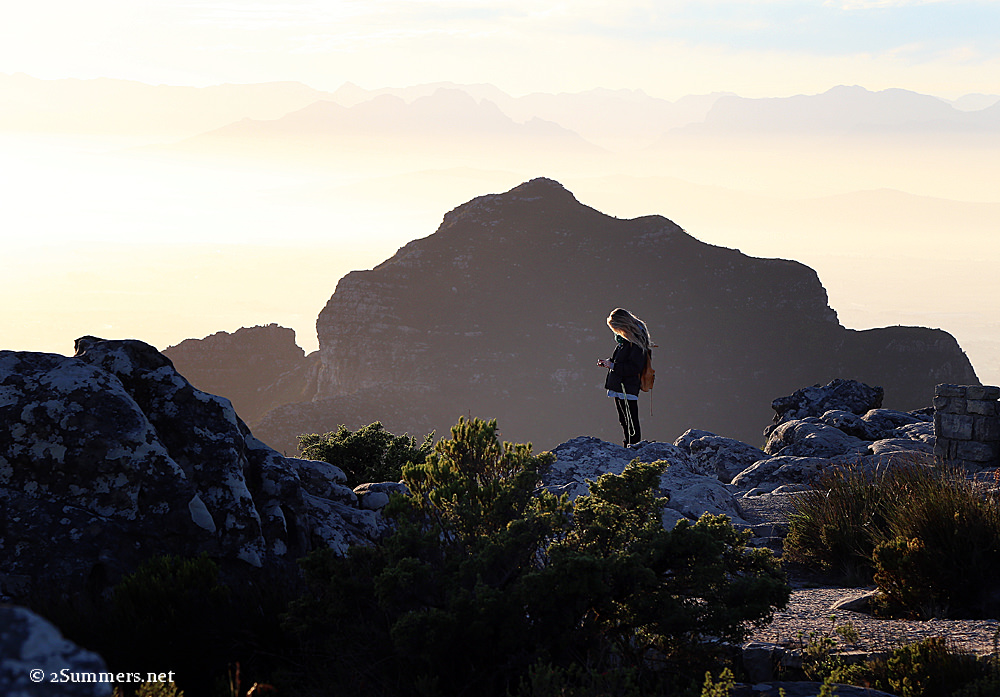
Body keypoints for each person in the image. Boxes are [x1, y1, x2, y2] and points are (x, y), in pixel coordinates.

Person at [597, 308, 651, 448]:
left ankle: (633, 447)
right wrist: (609, 363)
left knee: (630, 420)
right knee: (624, 419)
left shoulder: (636, 344)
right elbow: (624, 362)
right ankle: (629, 445)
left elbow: (634, 368)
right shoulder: (626, 342)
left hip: (627, 386)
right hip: (621, 385)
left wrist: (612, 365)